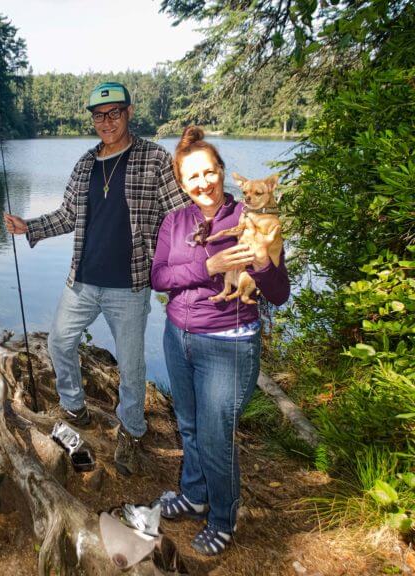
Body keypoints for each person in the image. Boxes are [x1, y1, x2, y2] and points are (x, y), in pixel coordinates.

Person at [4, 82, 187, 476]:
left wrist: (217, 230)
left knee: (133, 365)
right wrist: (28, 226)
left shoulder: (154, 158)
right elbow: (68, 215)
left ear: (129, 112)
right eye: (99, 115)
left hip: (130, 285)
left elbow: (180, 215)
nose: (106, 122)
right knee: (59, 342)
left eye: (114, 113)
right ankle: (74, 406)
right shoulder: (86, 164)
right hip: (82, 281)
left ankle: (132, 432)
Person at [150, 126, 289, 555]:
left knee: (215, 437)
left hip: (229, 345)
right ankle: (193, 495)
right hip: (179, 337)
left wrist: (264, 263)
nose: (203, 183)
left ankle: (223, 517)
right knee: (189, 426)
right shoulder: (174, 221)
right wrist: (208, 265)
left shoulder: (251, 219)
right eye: (193, 177)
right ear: (181, 183)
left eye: (209, 172)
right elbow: (159, 277)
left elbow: (279, 294)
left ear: (223, 172)